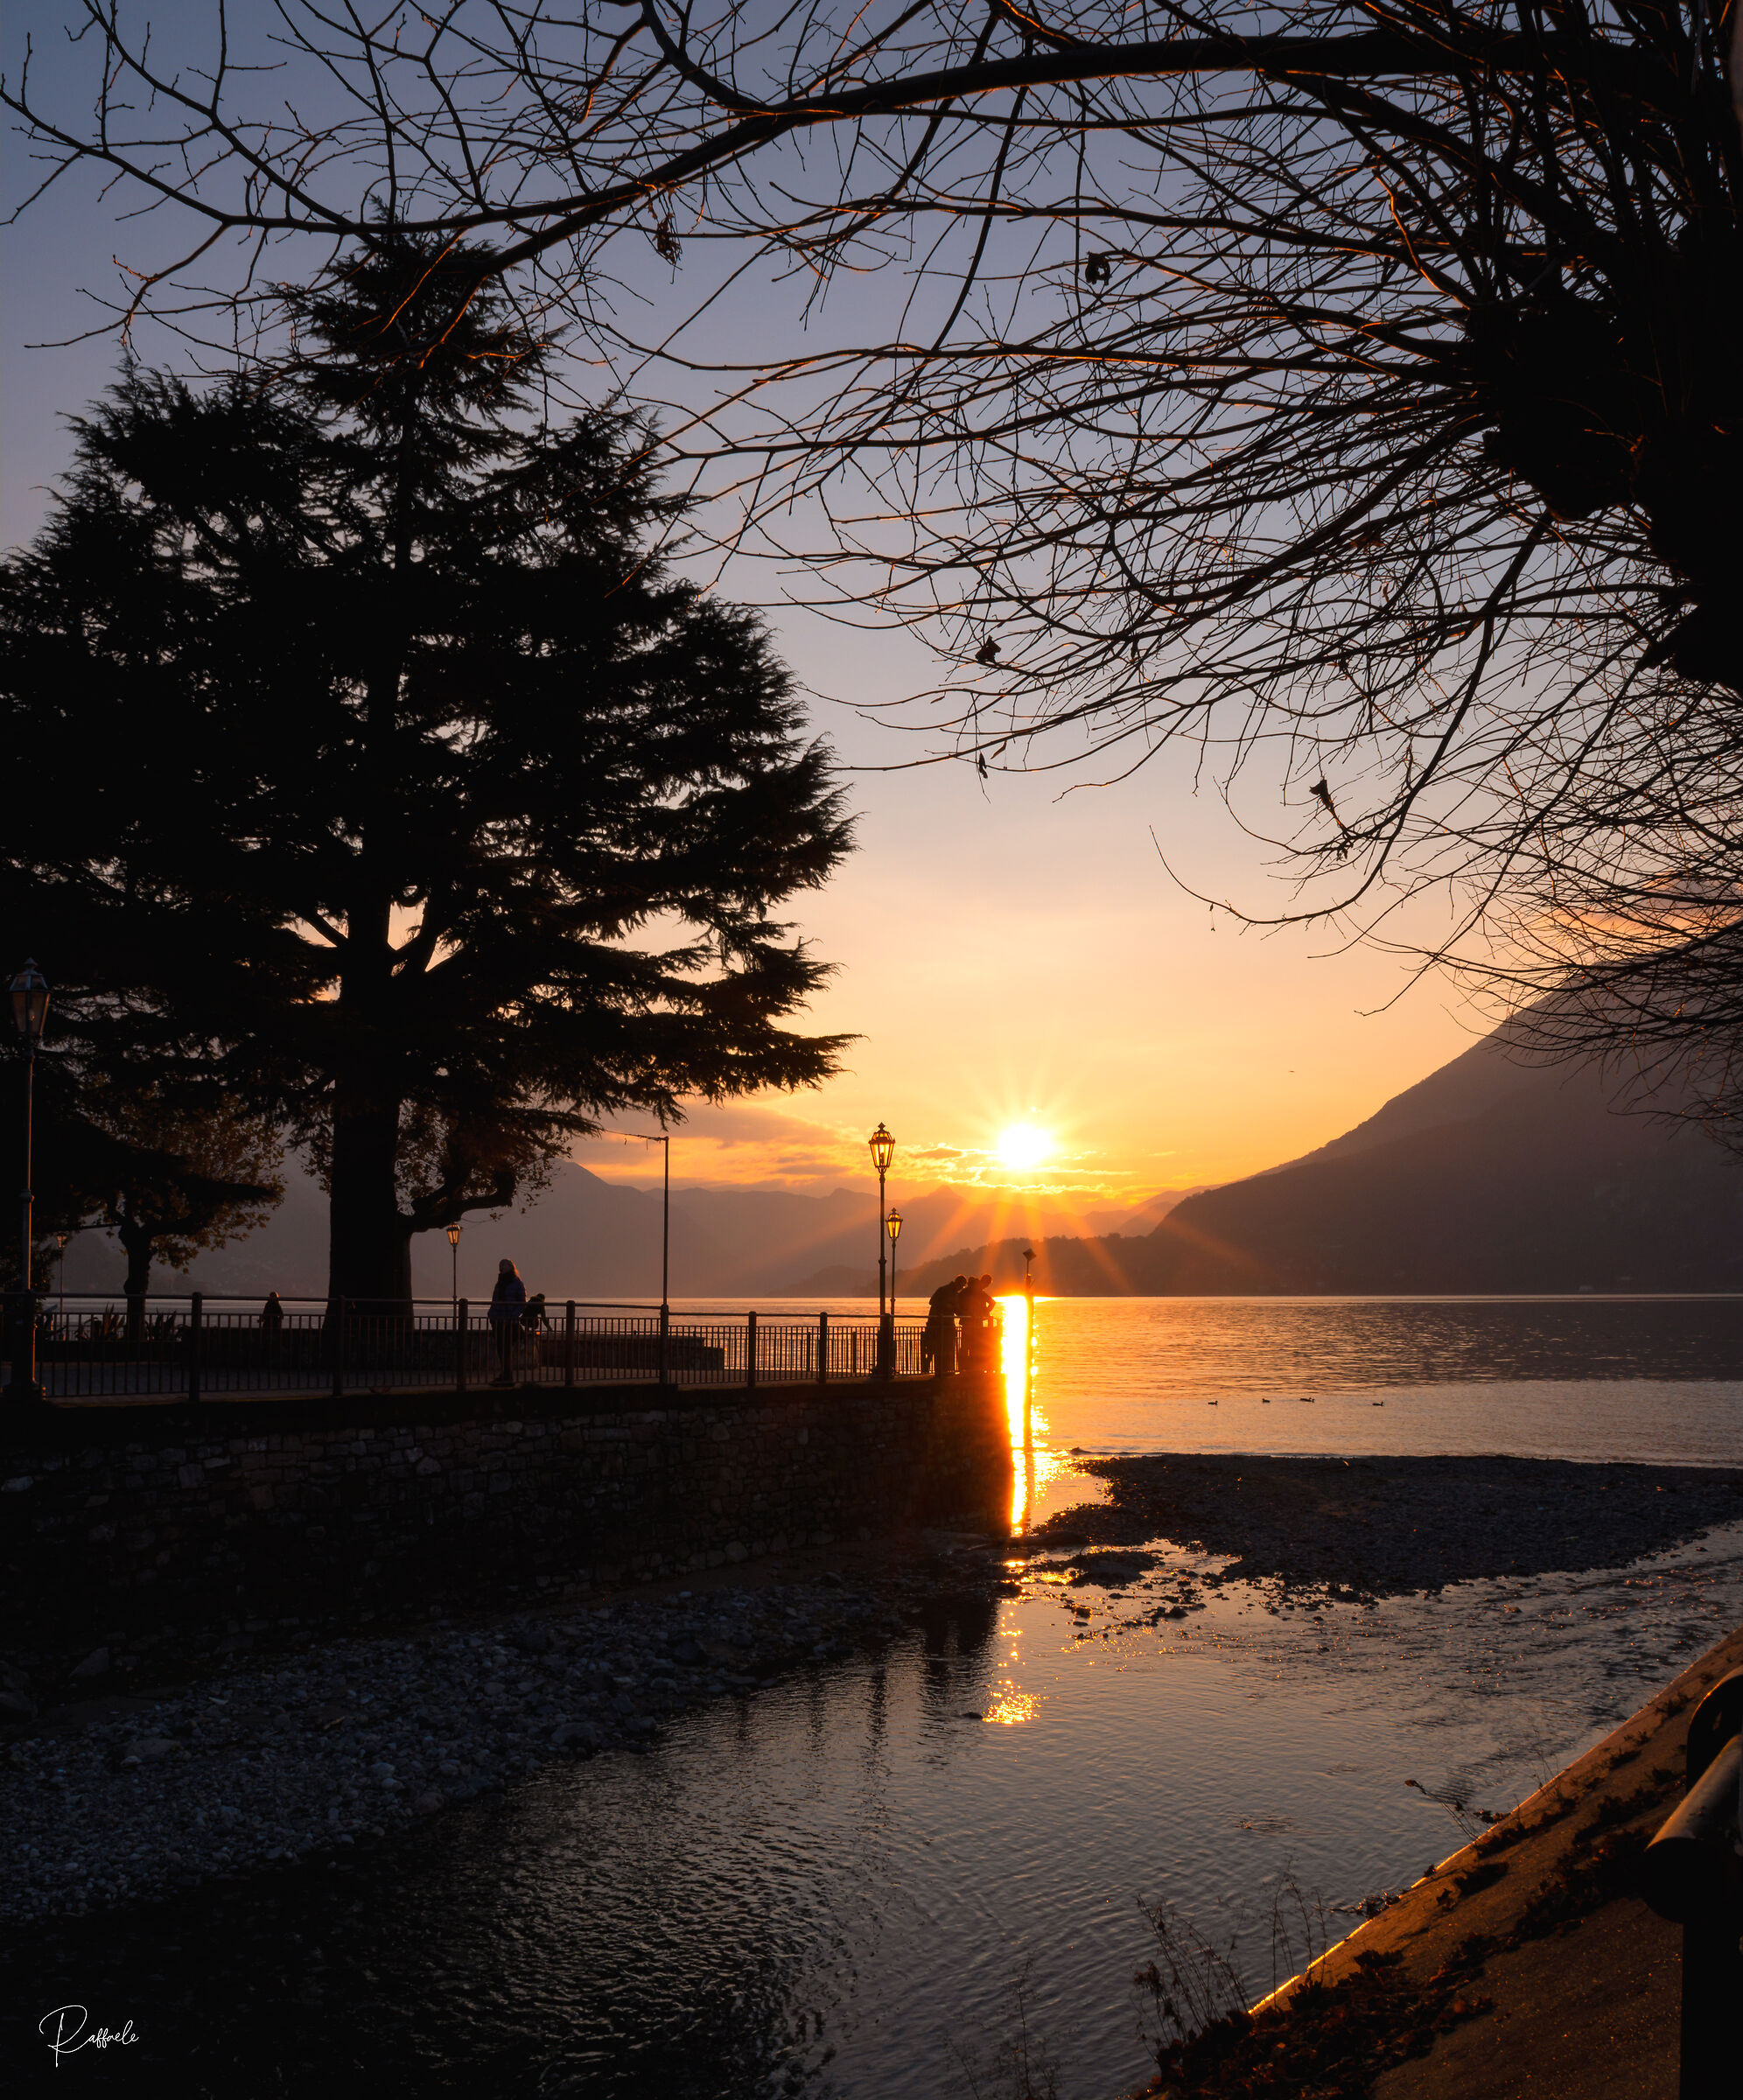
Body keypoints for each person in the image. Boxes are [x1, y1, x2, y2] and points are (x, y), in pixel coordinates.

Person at [488, 1259, 527, 1386]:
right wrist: (491, 1314)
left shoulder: (517, 1283)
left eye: (503, 1265)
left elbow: (522, 1303)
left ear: (510, 1267)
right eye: (500, 1266)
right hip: (497, 1320)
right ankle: (505, 1375)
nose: (501, 1268)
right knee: (501, 1349)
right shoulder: (499, 1283)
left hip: (509, 1322)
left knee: (506, 1349)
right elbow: (495, 1300)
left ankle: (507, 1376)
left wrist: (513, 1315)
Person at [922, 1275, 966, 1376]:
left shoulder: (955, 1294)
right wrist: (946, 1305)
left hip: (947, 1325)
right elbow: (932, 1301)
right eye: (962, 1286)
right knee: (932, 1348)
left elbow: (956, 1309)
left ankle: (946, 1370)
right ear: (957, 1283)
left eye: (963, 1287)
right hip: (935, 1324)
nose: (961, 1288)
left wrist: (966, 1315)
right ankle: (928, 1369)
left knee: (946, 1348)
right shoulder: (943, 1290)